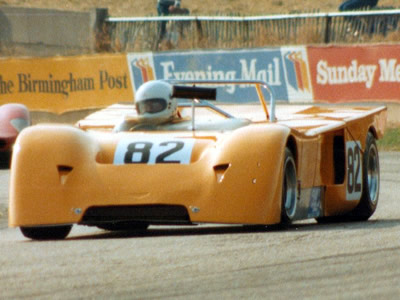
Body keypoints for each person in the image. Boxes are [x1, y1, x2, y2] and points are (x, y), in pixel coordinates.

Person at [114, 80, 180, 131]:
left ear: (170, 104)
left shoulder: (183, 128)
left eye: (155, 105)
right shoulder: (126, 126)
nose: (148, 109)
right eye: (144, 106)